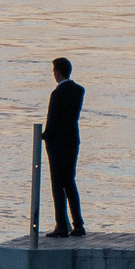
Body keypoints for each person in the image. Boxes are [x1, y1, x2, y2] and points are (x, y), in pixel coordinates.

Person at [43, 57, 86, 237]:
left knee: (57, 184)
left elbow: (52, 120)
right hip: (72, 141)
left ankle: (61, 225)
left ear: (57, 72)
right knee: (70, 182)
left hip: (57, 144)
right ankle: (78, 224)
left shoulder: (57, 93)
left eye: (54, 71)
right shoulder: (78, 91)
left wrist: (44, 135)